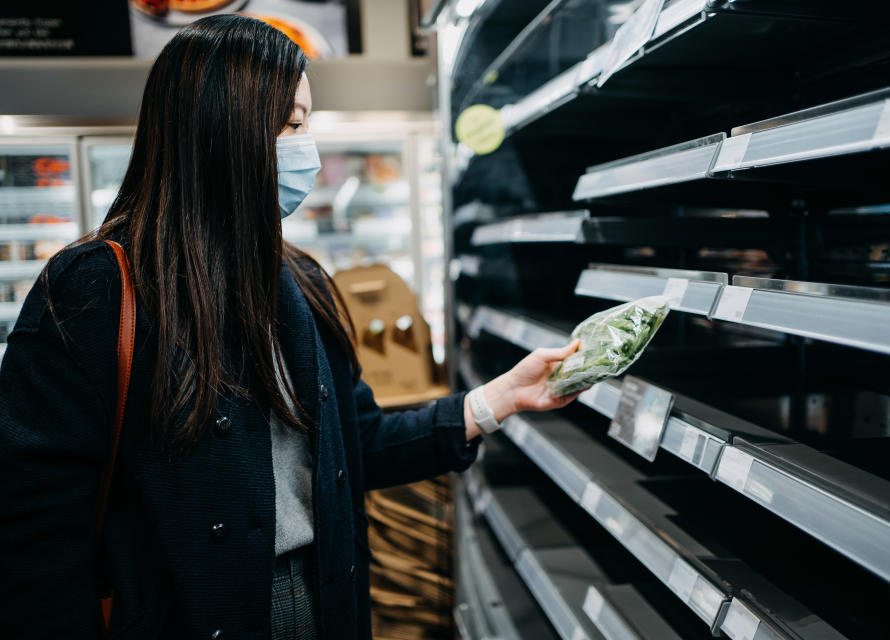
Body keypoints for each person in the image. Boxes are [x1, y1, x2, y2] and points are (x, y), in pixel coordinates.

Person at [0, 14, 582, 640]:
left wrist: (496, 401)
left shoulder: (300, 280)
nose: (305, 146)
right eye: (292, 123)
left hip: (323, 608)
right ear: (222, 128)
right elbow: (35, 538)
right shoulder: (96, 289)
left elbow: (353, 445)